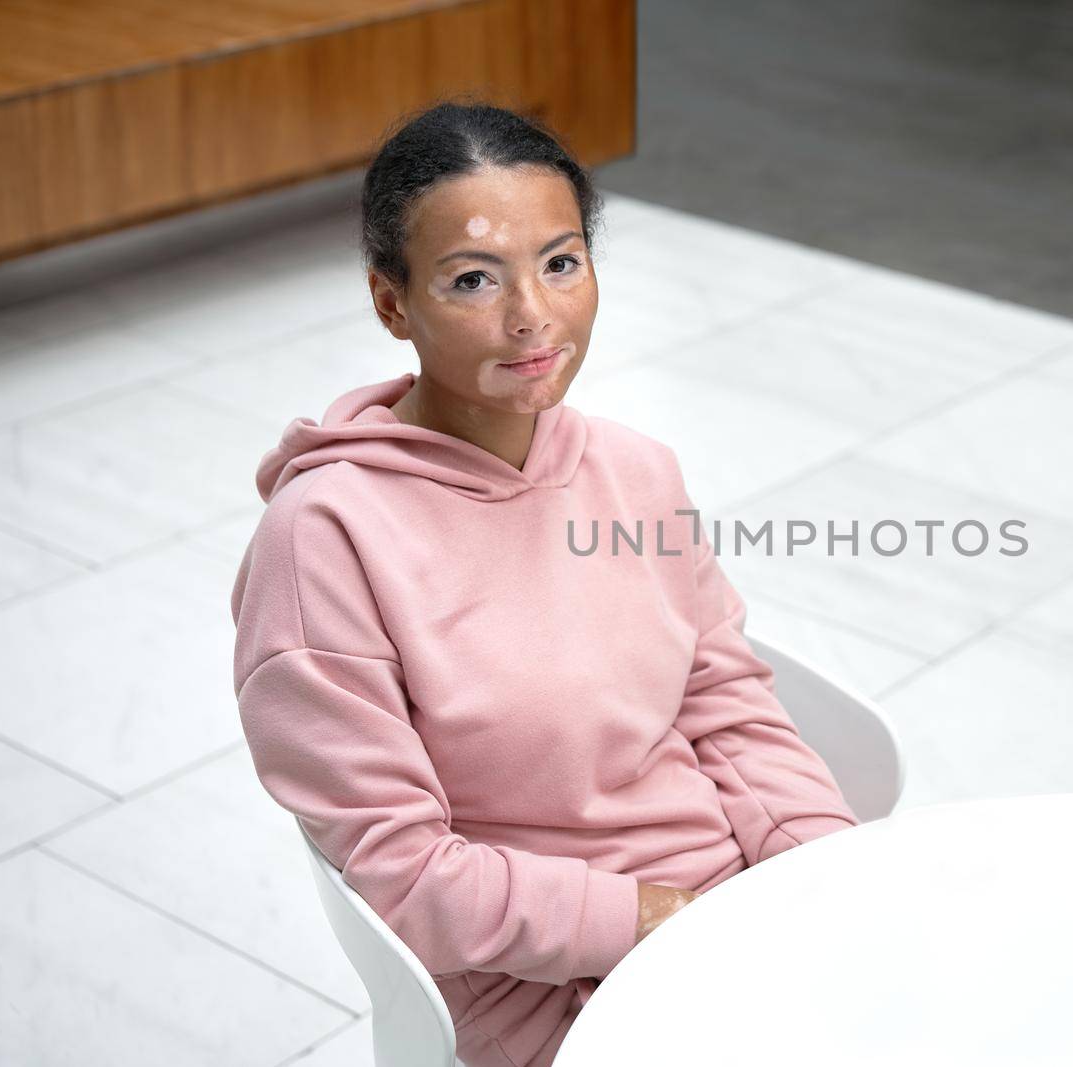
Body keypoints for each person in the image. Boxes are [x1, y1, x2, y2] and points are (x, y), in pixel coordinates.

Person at [229, 101, 860, 1067]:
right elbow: (403, 875)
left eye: (561, 263)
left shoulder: (637, 469)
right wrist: (653, 920)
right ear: (392, 303)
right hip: (539, 993)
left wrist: (820, 870)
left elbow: (722, 701)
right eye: (473, 279)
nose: (532, 315)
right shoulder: (324, 541)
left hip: (724, 918)